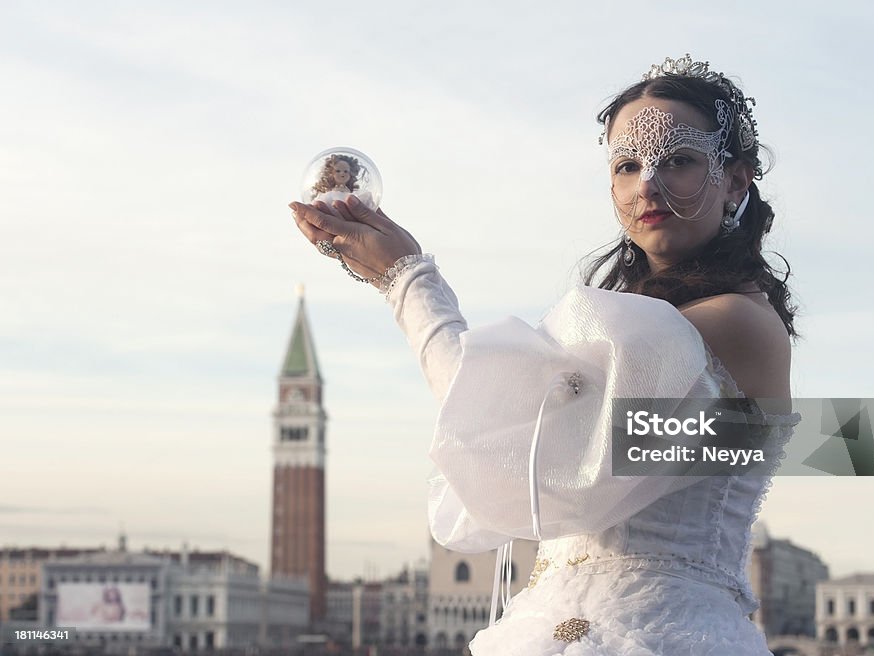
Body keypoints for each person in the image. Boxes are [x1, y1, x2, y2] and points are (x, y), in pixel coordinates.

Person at [291, 55, 801, 655]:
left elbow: (516, 448)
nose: (648, 186)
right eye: (628, 165)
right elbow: (514, 436)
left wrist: (406, 278)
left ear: (736, 179)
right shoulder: (639, 319)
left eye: (679, 160)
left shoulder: (735, 322)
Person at [309, 153, 373, 207]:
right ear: (330, 174)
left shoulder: (355, 194)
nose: (342, 173)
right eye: (338, 171)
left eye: (346, 171)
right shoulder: (328, 195)